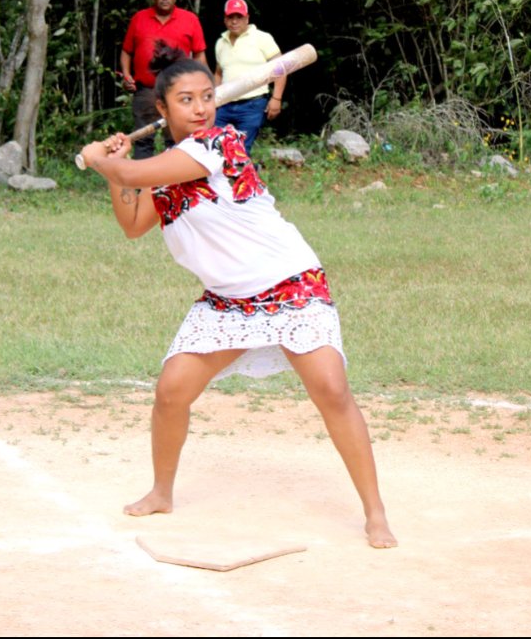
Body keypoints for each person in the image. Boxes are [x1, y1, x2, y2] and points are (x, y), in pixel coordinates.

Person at [78, 46, 396, 548]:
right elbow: (134, 223)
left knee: (331, 390)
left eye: (207, 96)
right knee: (171, 391)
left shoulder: (219, 143)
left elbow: (131, 177)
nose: (202, 107)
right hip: (228, 299)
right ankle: (162, 491)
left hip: (290, 282)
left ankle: (375, 513)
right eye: (186, 100)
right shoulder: (164, 168)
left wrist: (102, 161)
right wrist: (115, 168)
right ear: (162, 109)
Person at [119, 0, 207, 159]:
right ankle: (143, 184)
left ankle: (175, 183)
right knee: (143, 139)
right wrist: (127, 75)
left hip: (180, 91)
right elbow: (126, 52)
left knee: (178, 139)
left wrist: (203, 85)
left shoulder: (189, 19)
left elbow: (199, 55)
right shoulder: (139, 19)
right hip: (146, 90)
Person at [212, 0, 286, 154]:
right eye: (230, 17)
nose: (234, 21)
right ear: (225, 19)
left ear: (247, 18)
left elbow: (281, 68)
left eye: (239, 17)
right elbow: (218, 73)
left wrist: (276, 98)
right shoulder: (220, 43)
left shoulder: (262, 38)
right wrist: (212, 99)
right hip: (224, 104)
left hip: (252, 105)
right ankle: (229, 175)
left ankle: (244, 176)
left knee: (241, 150)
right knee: (215, 146)